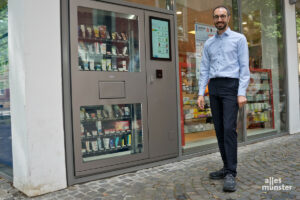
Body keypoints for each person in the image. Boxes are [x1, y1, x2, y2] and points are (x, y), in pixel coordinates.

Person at [197, 5, 250, 192]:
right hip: (215, 87)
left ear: (228, 18)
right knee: (219, 129)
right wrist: (200, 93)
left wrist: (241, 92)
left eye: (222, 16)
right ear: (213, 19)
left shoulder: (239, 39)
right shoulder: (209, 43)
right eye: (216, 17)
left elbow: (244, 68)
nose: (219, 19)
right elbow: (204, 69)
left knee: (229, 129)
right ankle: (225, 166)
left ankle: (231, 173)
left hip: (231, 87)